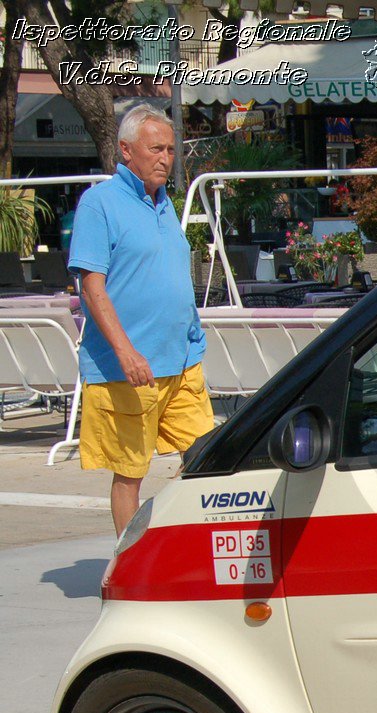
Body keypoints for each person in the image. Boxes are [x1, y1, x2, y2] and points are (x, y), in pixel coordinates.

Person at [69, 103, 209, 535]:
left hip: (182, 361)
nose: (165, 158)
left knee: (207, 457)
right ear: (126, 151)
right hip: (128, 368)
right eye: (155, 149)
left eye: (170, 148)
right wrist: (125, 351)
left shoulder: (165, 204)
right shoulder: (100, 203)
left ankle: (180, 546)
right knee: (130, 473)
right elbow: (93, 288)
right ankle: (131, 570)